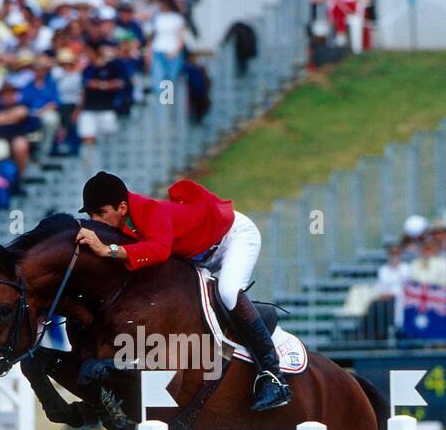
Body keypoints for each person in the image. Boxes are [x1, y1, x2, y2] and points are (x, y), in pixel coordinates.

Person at [75, 171, 291, 411]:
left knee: (228, 291)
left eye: (100, 213)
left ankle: (273, 376)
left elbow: (158, 250)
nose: (95, 220)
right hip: (198, 255)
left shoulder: (151, 211)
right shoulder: (121, 225)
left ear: (122, 207)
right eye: (91, 215)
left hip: (232, 238)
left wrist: (108, 251)